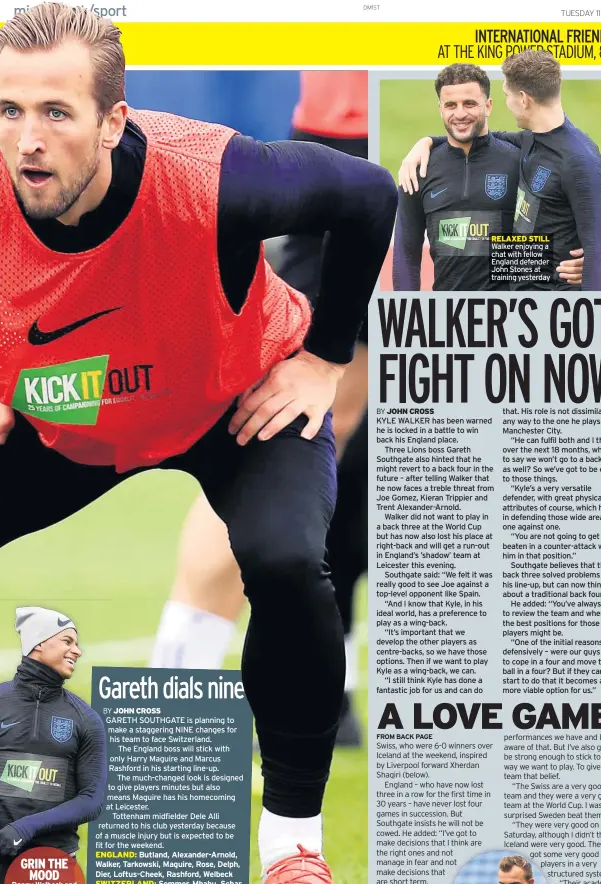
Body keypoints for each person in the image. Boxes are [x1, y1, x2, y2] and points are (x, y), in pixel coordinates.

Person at [0, 5, 397, 884]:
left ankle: (292, 854)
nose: (27, 139)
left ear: (114, 120)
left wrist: (326, 356)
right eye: (8, 110)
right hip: (77, 418)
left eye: (57, 112)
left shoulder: (212, 177)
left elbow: (370, 194)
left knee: (291, 562)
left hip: (235, 403)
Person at [150, 71, 370, 746]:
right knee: (287, 422)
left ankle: (325, 682)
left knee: (375, 436)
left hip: (478, 157)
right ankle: (174, 705)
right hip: (354, 141)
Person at [397, 52, 601, 290]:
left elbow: (596, 248)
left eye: (469, 103)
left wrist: (585, 268)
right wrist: (427, 141)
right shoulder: (530, 142)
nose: (460, 113)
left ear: (521, 100)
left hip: (534, 312)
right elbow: (479, 137)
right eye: (450, 105)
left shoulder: (567, 158)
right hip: (467, 313)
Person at [0, 607, 106, 884]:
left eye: (77, 644)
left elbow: (91, 799)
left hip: (51, 865)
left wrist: (24, 828)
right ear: (38, 644)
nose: (77, 651)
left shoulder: (85, 719)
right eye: (67, 641)